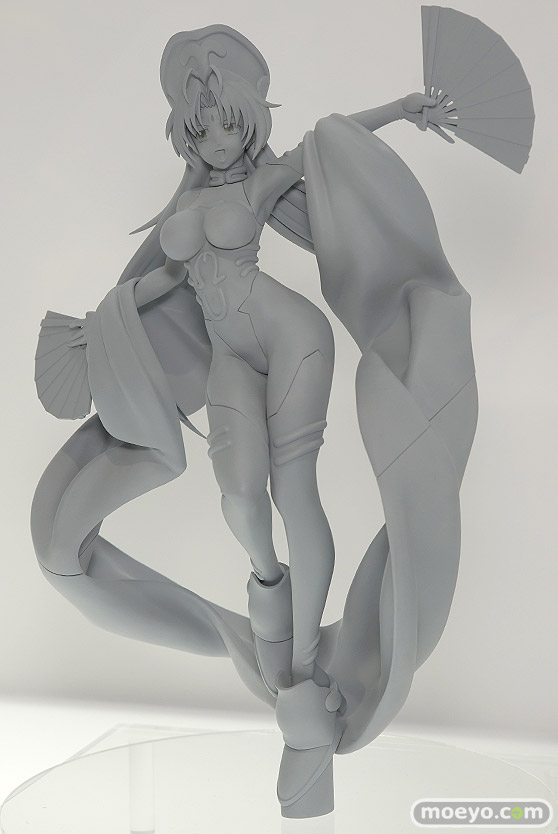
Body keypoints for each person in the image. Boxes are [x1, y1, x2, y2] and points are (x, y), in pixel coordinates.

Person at [32, 25, 478, 817]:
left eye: (227, 117)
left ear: (249, 116)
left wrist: (403, 109)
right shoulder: (184, 202)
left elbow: (328, 144)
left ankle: (299, 664)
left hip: (291, 337)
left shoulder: (265, 178)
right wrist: (105, 329)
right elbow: (159, 281)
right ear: (185, 128)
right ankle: (276, 622)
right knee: (241, 503)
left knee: (292, 490)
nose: (215, 132)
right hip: (230, 355)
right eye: (200, 122)